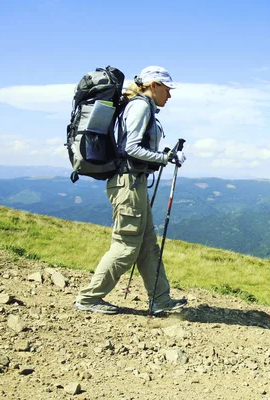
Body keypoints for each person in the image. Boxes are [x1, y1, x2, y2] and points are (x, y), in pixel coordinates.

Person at [74, 66, 187, 315]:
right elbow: (132, 148)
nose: (169, 95)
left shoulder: (141, 106)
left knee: (147, 245)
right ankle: (89, 298)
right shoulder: (140, 106)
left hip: (133, 183)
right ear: (154, 85)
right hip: (128, 184)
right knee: (126, 246)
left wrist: (162, 156)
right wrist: (165, 157)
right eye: (167, 89)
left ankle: (161, 299)